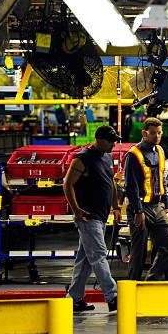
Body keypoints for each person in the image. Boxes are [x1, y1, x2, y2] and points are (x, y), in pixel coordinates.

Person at [64, 125, 121, 312]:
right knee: (98, 255)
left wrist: (116, 206)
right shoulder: (83, 158)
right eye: (111, 140)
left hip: (101, 215)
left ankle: (74, 298)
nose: (114, 144)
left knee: (86, 259)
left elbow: (110, 181)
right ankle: (113, 297)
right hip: (88, 216)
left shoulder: (106, 156)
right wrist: (76, 210)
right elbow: (67, 184)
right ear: (100, 139)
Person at [125, 117, 168, 281]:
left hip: (157, 206)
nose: (157, 136)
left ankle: (151, 281)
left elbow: (162, 179)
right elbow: (131, 186)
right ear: (144, 133)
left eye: (160, 133)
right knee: (139, 251)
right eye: (153, 133)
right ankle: (132, 289)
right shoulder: (133, 155)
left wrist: (167, 204)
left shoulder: (160, 151)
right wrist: (138, 211)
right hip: (139, 206)